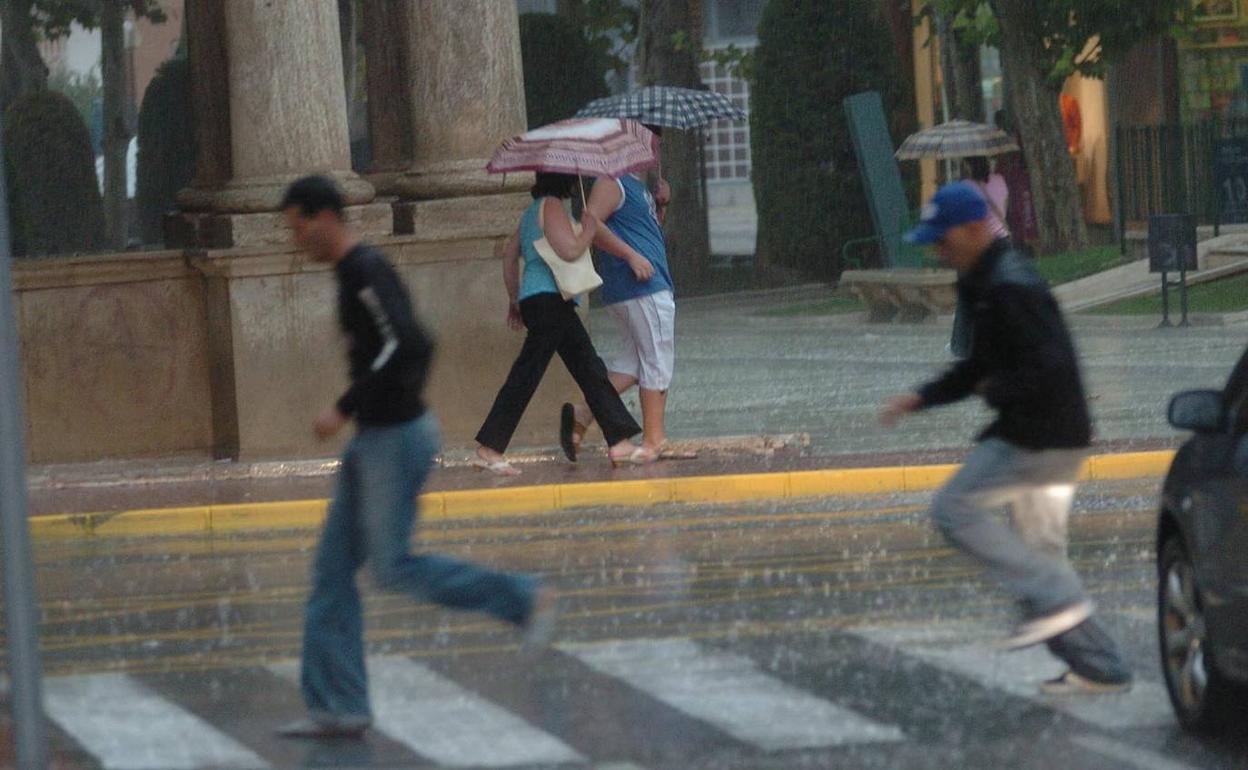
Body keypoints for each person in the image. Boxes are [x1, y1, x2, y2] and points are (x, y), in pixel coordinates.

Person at [275, 175, 555, 739]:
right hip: (375, 439)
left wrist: (350, 404)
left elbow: (407, 342)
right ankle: (339, 705)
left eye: (299, 226)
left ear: (325, 217)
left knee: (393, 568)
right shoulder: (352, 273)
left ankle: (524, 599)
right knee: (332, 573)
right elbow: (396, 347)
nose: (296, 239)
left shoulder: (363, 271)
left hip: (393, 439)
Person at [879, 182, 1132, 696]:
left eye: (943, 240)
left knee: (955, 510)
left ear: (975, 229)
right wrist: (922, 397)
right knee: (1037, 558)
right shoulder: (983, 278)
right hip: (1049, 430)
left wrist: (997, 387)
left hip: (1038, 436)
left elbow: (1048, 365)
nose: (938, 251)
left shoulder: (1009, 285)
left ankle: (1060, 600)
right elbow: (977, 366)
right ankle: (1101, 668)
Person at [475, 172, 647, 475]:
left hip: (541, 300)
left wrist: (515, 299)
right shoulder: (552, 205)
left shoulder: (530, 213)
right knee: (528, 372)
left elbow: (509, 256)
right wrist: (588, 230)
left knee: (588, 366)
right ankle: (490, 447)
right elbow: (569, 250)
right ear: (564, 179)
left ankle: (619, 439)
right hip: (549, 300)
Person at [562, 166, 691, 463]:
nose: (654, 146)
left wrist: (661, 207)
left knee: (633, 365)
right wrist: (630, 256)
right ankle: (654, 440)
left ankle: (582, 414)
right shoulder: (612, 182)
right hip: (641, 287)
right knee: (657, 359)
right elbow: (590, 223)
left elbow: (645, 233)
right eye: (650, 137)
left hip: (641, 285)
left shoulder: (638, 187)